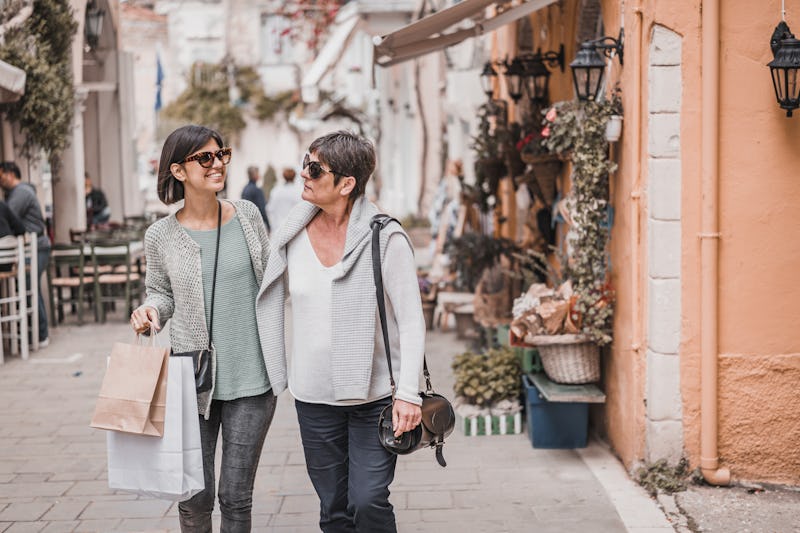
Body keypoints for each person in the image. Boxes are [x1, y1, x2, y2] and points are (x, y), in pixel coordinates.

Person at [255, 131, 425, 532]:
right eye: (305, 163)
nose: (304, 174)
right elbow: (263, 297)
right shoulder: (291, 236)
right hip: (313, 400)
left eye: (315, 168)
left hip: (375, 399)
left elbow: (412, 320)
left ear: (346, 184)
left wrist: (408, 393)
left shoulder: (386, 237)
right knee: (333, 509)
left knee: (367, 501)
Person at [129, 125, 276, 532]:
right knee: (194, 497)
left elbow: (274, 278)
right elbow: (159, 292)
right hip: (192, 382)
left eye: (221, 154)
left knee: (235, 497)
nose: (218, 164)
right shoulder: (160, 235)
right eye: (205, 158)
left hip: (253, 378)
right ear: (178, 171)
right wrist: (149, 311)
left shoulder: (247, 215)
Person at [0, 161, 51, 346]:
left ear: (10, 174)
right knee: (30, 287)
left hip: (36, 247)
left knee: (30, 287)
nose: (0, 180)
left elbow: (8, 218)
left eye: (1, 176)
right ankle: (36, 334)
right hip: (34, 247)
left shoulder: (20, 193)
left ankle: (40, 334)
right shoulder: (18, 192)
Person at [265, 167, 301, 233]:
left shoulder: (276, 191)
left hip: (278, 227)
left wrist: (273, 225)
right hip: (294, 228)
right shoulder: (298, 191)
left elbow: (270, 209)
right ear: (294, 176)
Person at [241, 165, 270, 231]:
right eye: (258, 173)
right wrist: (268, 225)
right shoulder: (257, 190)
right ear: (255, 175)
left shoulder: (245, 189)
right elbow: (262, 210)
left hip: (246, 224)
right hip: (256, 225)